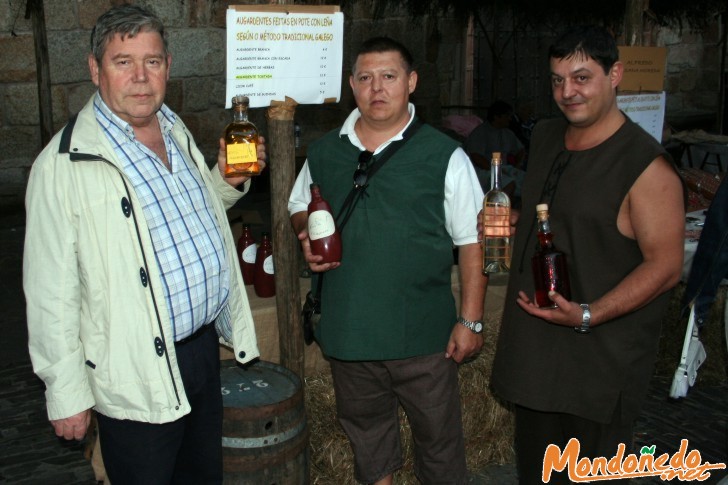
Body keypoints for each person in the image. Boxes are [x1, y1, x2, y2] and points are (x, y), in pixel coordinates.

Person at [23, 5, 265, 483]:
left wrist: (227, 179)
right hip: (132, 367)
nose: (140, 77)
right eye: (122, 62)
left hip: (200, 352)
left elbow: (188, 211)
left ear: (168, 67)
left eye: (151, 61)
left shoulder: (174, 129)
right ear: (95, 70)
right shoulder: (63, 164)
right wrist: (66, 393)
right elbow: (50, 293)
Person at [489, 25, 684, 483]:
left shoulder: (645, 165)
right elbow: (557, 215)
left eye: (581, 78)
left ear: (615, 74)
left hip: (598, 364)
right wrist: (514, 222)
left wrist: (589, 314)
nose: (567, 92)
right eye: (557, 80)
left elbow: (667, 266)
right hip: (537, 355)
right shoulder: (546, 137)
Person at [288, 37, 486, 484]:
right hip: (351, 332)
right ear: (352, 85)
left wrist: (471, 320)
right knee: (370, 446)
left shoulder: (444, 155)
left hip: (425, 337)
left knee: (439, 446)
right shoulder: (324, 152)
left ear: (411, 82)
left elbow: (472, 241)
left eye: (389, 76)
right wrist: (307, 230)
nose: (377, 88)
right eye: (365, 77)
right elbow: (297, 203)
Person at [463, 99, 526, 199]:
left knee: (528, 181)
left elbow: (520, 150)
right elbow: (476, 157)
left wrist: (518, 165)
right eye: (507, 116)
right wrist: (497, 170)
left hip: (504, 168)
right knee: (509, 184)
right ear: (497, 117)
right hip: (482, 171)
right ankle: (499, 210)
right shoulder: (480, 133)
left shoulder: (507, 133)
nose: (510, 119)